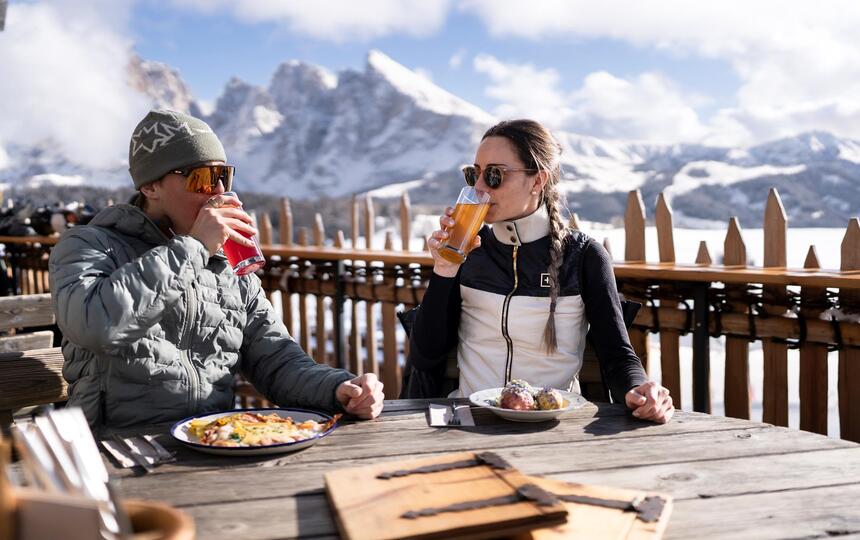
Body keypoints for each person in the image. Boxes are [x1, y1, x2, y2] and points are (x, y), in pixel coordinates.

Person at [49, 109, 384, 430]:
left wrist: (339, 389)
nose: (220, 192)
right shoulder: (88, 244)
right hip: (119, 447)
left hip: (211, 440)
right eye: (203, 179)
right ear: (151, 187)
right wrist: (193, 247)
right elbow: (94, 324)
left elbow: (276, 362)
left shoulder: (226, 264)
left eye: (223, 175)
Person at [410, 119, 673, 423]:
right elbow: (424, 357)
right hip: (470, 419)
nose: (479, 187)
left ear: (538, 181)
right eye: (474, 174)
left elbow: (617, 354)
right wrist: (445, 270)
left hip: (551, 424)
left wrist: (641, 390)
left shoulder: (585, 256)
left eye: (494, 175)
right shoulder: (470, 249)